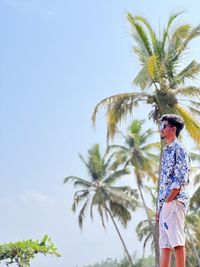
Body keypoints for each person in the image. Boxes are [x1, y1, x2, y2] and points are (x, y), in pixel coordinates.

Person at [156, 114, 190, 267]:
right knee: (165, 245)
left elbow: (181, 178)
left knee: (177, 242)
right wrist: (160, 207)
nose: (161, 130)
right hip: (165, 204)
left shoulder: (180, 149)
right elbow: (163, 183)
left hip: (176, 201)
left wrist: (170, 199)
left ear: (173, 129)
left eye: (163, 126)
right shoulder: (167, 150)